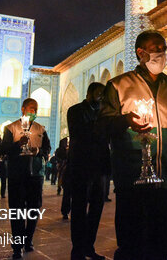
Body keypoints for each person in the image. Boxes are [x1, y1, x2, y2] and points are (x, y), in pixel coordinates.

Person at [98, 30, 167, 260]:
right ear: (140, 52)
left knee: (162, 242)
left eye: (163, 48)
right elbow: (104, 126)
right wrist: (126, 121)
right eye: (156, 48)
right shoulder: (119, 85)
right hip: (132, 178)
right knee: (131, 243)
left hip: (165, 176)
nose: (162, 53)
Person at [1, 98, 51, 259]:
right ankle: (17, 245)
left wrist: (39, 152)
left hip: (36, 174)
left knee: (33, 209)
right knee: (17, 210)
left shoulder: (40, 129)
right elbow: (4, 149)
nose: (34, 112)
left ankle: (28, 239)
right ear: (23, 109)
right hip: (17, 174)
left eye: (36, 109)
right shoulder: (11, 128)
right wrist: (18, 144)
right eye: (31, 108)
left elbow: (47, 148)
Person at [67, 82, 110, 260]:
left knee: (96, 208)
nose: (101, 97)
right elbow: (80, 133)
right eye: (99, 94)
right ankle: (77, 250)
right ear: (90, 93)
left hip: (99, 167)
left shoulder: (102, 112)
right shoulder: (75, 110)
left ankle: (88, 247)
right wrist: (102, 124)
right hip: (81, 166)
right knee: (79, 208)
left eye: (103, 95)